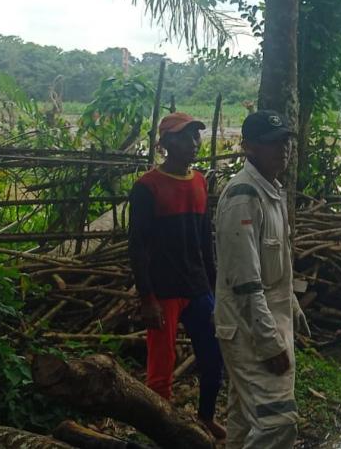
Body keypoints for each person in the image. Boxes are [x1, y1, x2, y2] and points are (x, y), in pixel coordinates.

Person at [214, 110, 311, 449]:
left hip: (267, 320)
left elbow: (275, 265)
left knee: (243, 419)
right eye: (272, 142)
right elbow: (245, 282)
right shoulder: (243, 195)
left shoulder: (271, 191)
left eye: (285, 141)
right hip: (249, 330)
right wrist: (269, 342)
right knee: (277, 424)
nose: (282, 148)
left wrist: (292, 305)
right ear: (249, 147)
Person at [128, 112, 225, 440]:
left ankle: (205, 417)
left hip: (197, 287)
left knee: (213, 355)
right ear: (166, 143)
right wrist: (147, 298)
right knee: (161, 368)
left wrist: (213, 287)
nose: (193, 143)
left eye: (195, 136)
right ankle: (161, 432)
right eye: (185, 137)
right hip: (163, 290)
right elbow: (138, 246)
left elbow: (204, 240)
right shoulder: (147, 187)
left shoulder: (199, 182)